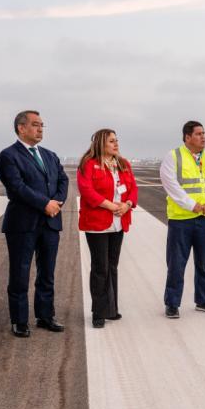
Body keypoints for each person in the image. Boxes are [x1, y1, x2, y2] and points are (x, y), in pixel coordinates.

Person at [0, 110, 68, 337]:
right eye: (36, 125)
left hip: (50, 221)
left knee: (47, 273)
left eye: (42, 125)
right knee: (20, 272)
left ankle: (45, 315)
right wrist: (45, 203)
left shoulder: (50, 155)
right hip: (22, 223)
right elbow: (16, 187)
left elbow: (63, 180)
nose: (40, 129)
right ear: (21, 128)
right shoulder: (9, 155)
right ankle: (19, 320)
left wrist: (57, 201)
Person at [159, 120, 205, 318]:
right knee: (176, 264)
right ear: (187, 137)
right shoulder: (173, 157)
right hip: (182, 220)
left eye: (204, 133)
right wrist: (192, 205)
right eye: (198, 134)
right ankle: (172, 303)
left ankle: (203, 300)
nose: (203, 137)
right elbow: (171, 185)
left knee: (204, 263)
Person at [76, 129, 138, 328]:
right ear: (101, 143)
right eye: (111, 141)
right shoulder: (89, 164)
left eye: (116, 140)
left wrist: (127, 204)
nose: (116, 144)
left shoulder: (123, 164)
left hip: (119, 222)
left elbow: (133, 189)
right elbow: (87, 191)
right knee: (100, 267)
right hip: (97, 223)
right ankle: (98, 312)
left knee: (112, 266)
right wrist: (111, 206)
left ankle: (111, 308)